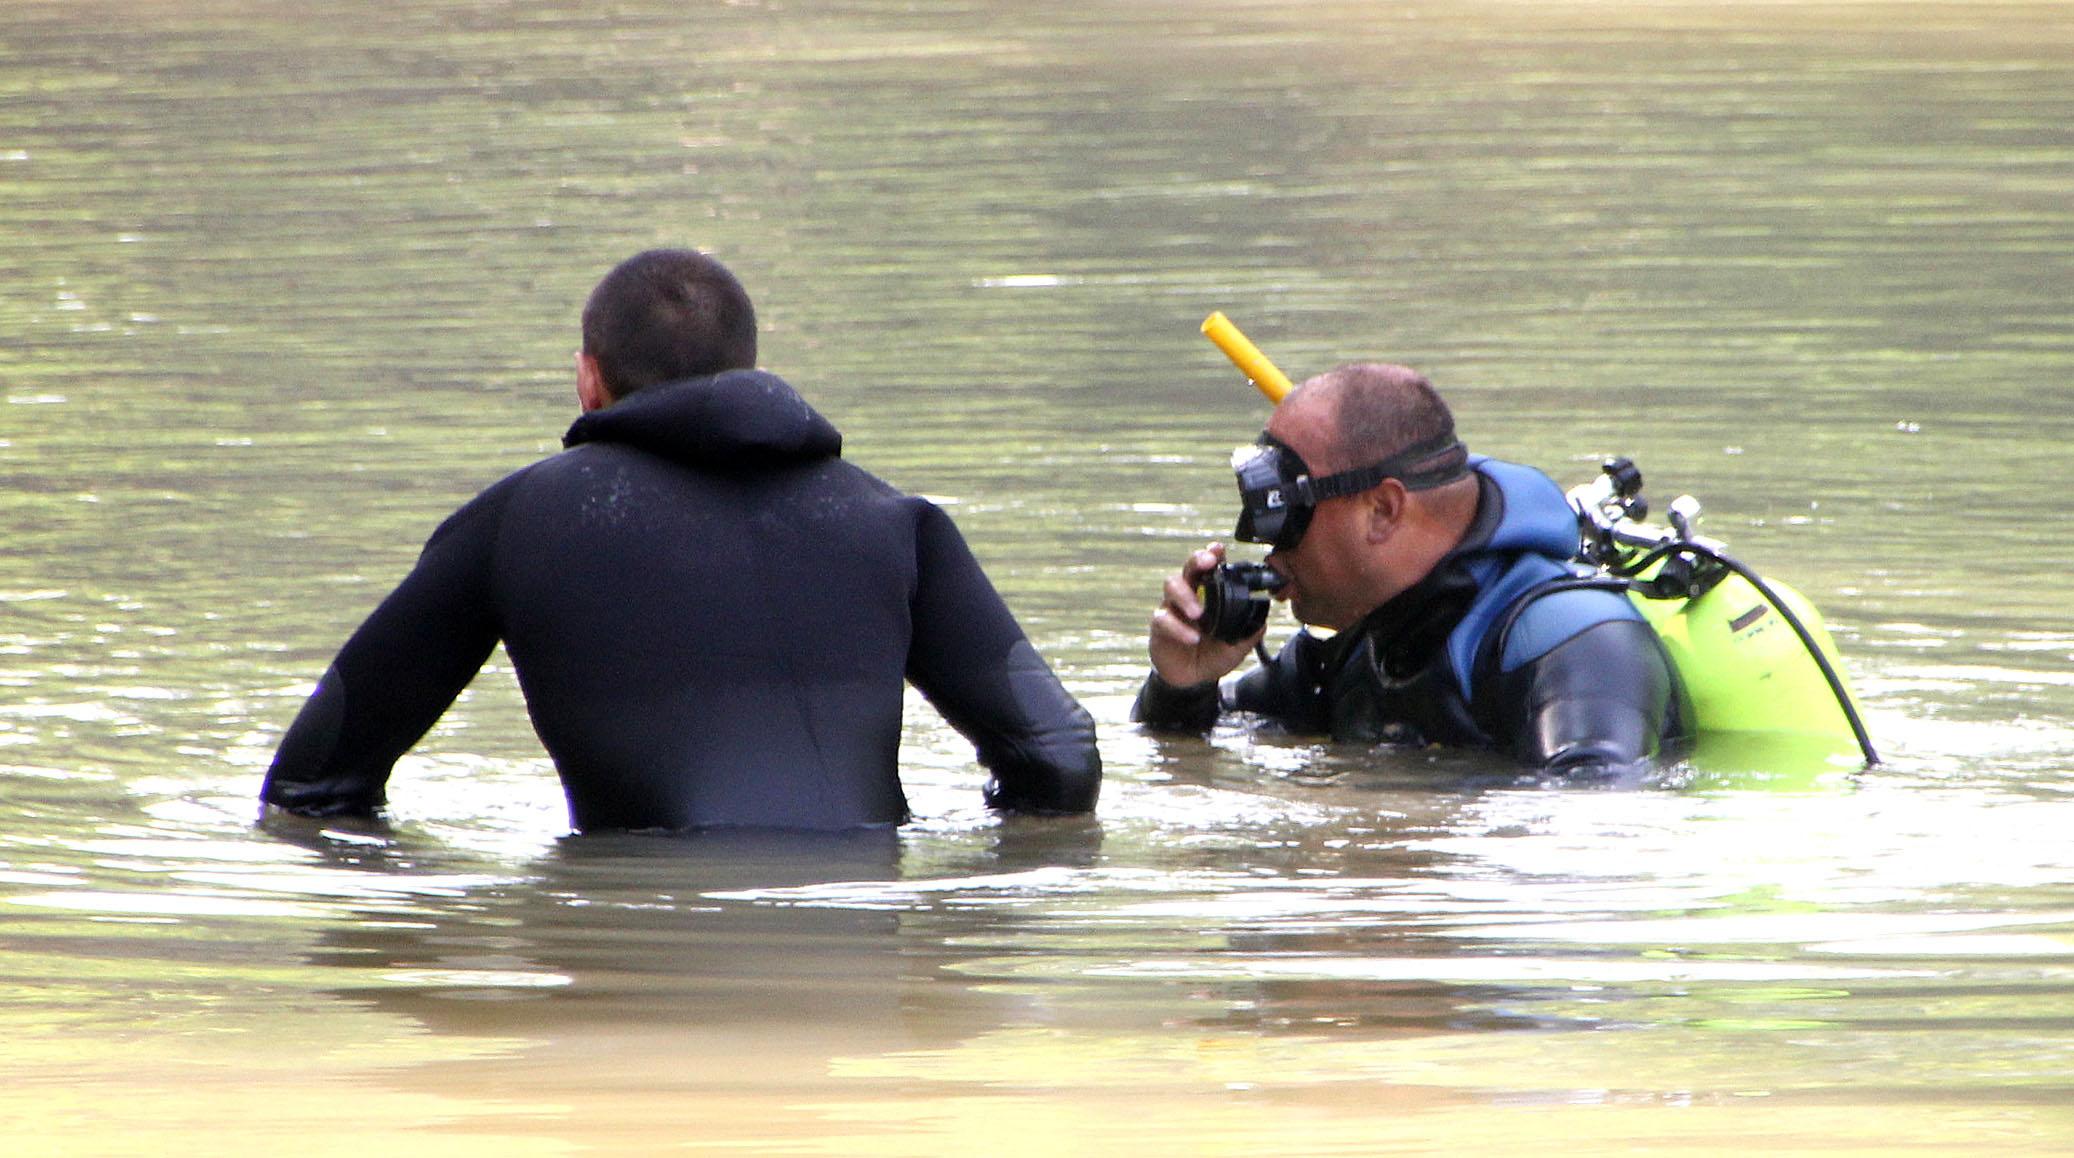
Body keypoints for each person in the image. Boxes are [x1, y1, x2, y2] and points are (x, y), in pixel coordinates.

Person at [262, 248, 1101, 832]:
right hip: (855, 979)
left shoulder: (519, 520)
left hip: (632, 962)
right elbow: (1060, 760)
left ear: (589, 379)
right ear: (751, 368)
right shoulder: (896, 520)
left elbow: (309, 785)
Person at [1132, 361, 1688, 776]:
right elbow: (1185, 749)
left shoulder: (1578, 643)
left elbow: (1592, 838)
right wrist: (1184, 683)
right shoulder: (1361, 636)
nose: (1268, 551)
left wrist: (1359, 815)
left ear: (1382, 510)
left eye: (1285, 519)